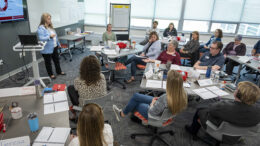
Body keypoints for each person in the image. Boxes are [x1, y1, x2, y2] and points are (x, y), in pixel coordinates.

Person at [185, 81, 260, 141]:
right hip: (237, 135)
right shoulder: (258, 110)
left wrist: (218, 103)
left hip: (219, 130)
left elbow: (211, 110)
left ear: (237, 94)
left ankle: (192, 130)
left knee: (200, 109)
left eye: (236, 89)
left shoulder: (224, 106)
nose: (235, 89)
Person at [113, 70, 187, 122]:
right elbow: (164, 102)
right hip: (165, 110)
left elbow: (152, 112)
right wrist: (157, 100)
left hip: (154, 116)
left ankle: (123, 113)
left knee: (135, 103)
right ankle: (125, 113)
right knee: (136, 96)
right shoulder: (183, 93)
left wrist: (152, 103)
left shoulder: (165, 97)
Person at [37, 13, 65, 79]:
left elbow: (56, 36)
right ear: (44, 19)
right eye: (48, 19)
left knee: (56, 60)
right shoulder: (41, 28)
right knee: (48, 63)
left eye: (50, 19)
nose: (50, 20)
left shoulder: (50, 27)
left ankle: (59, 71)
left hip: (54, 47)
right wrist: (49, 36)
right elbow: (41, 38)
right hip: (47, 49)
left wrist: (58, 44)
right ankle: (51, 74)